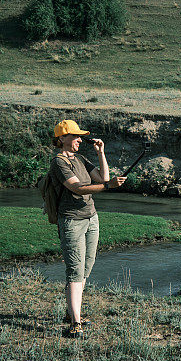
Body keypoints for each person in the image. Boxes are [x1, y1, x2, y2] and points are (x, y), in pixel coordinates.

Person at [51, 119, 126, 338]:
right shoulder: (59, 163)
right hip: (72, 221)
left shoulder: (81, 158)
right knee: (75, 271)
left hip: (91, 218)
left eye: (80, 136)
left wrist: (101, 153)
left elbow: (103, 178)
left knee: (85, 269)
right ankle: (75, 323)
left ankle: (71, 313)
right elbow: (77, 188)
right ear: (61, 138)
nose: (79, 139)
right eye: (75, 136)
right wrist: (107, 187)